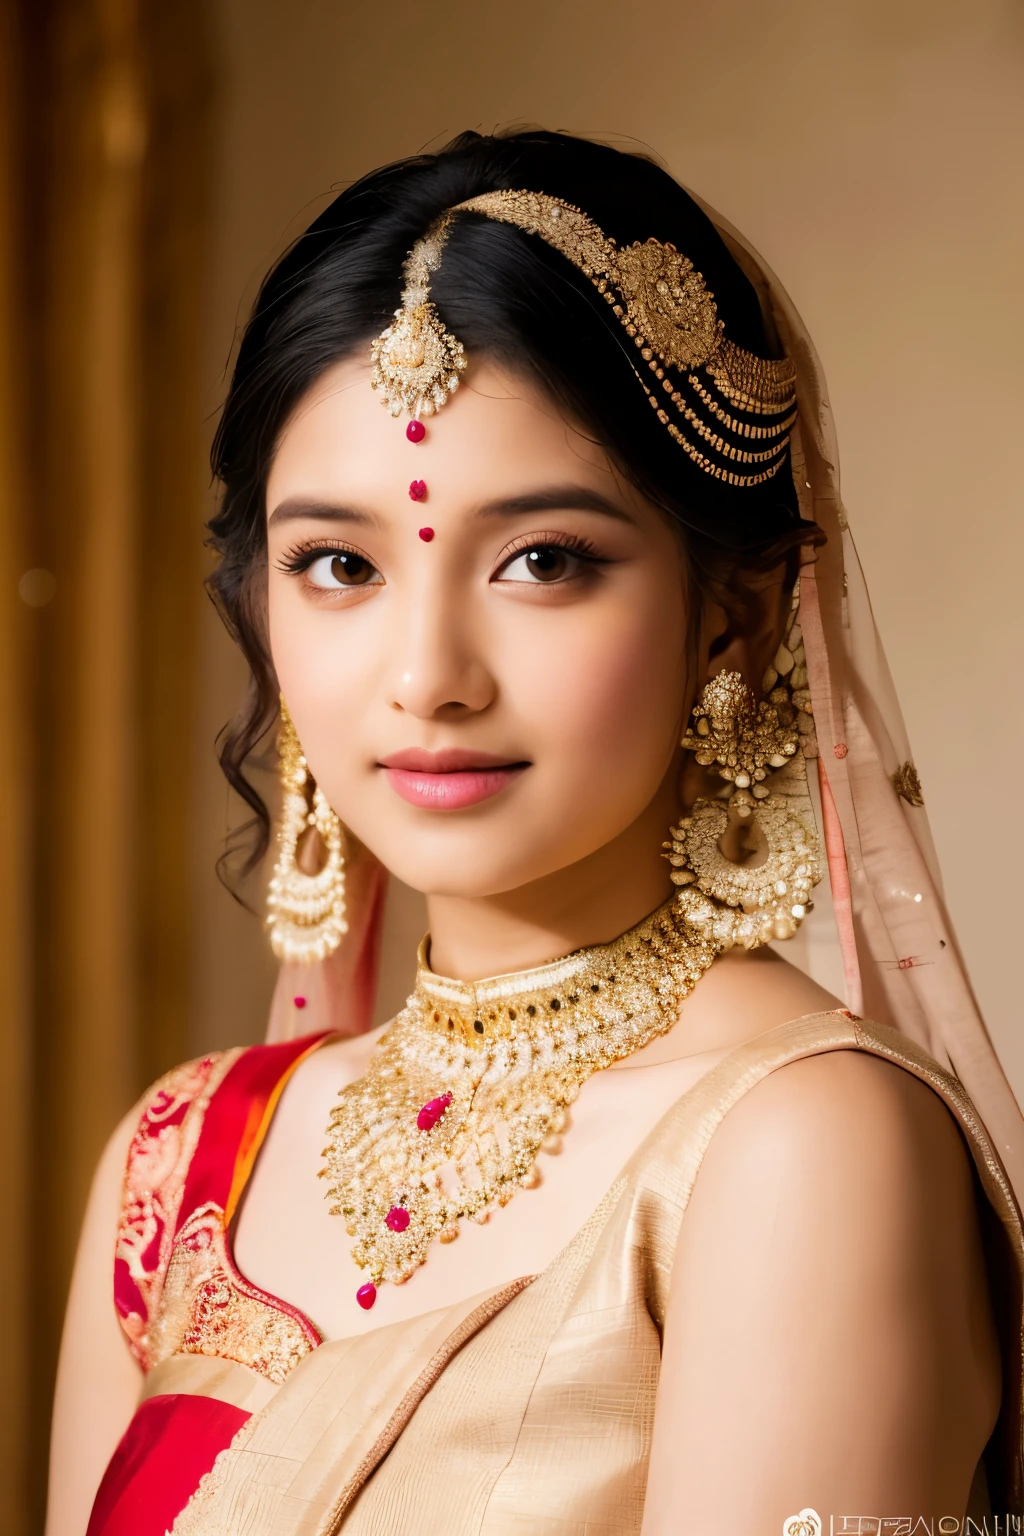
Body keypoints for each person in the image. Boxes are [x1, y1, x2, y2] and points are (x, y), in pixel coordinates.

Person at [48, 129, 1024, 1536]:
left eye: (543, 561)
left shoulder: (805, 1146)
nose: (428, 673)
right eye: (338, 564)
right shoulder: (182, 1159)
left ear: (731, 613)